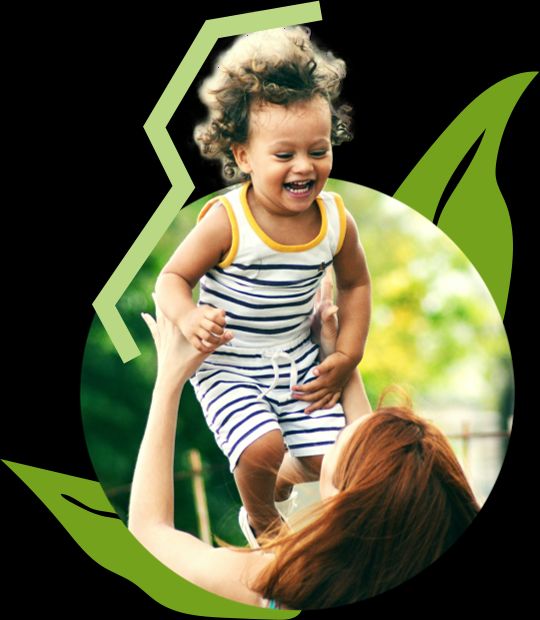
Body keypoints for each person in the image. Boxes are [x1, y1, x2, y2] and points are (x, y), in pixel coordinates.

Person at [129, 286, 480, 609]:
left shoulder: (271, 588)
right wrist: (337, 359)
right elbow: (371, 473)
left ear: (346, 502)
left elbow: (148, 536)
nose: (340, 428)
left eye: (339, 438)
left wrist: (169, 381)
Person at [154, 26, 371, 544]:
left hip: (296, 358)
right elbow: (171, 278)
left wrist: (347, 355)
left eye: (318, 150)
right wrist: (188, 317)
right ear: (244, 156)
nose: (304, 166)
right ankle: (264, 525)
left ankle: (279, 481)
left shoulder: (337, 220)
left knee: (330, 461)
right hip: (229, 361)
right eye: (284, 155)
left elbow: (357, 286)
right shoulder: (228, 221)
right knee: (260, 449)